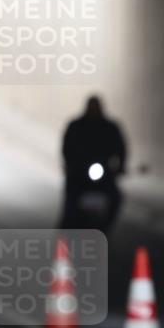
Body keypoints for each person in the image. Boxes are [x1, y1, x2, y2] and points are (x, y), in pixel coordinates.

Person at [59, 96, 127, 234]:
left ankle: (106, 228)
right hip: (79, 175)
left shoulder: (110, 128)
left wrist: (120, 167)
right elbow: (66, 148)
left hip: (104, 175)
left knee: (115, 198)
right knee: (70, 206)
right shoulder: (76, 126)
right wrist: (70, 165)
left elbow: (121, 149)